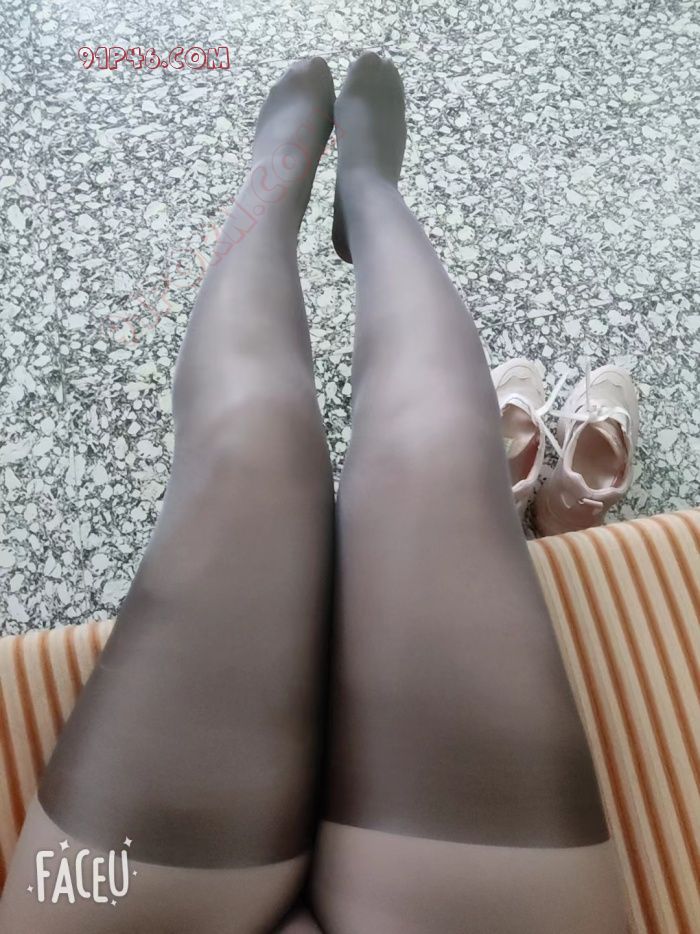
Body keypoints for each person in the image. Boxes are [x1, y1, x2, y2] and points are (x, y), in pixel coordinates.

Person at [0, 54, 627, 933]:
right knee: (439, 446)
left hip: (100, 899)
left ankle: (273, 187)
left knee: (243, 450)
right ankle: (367, 190)